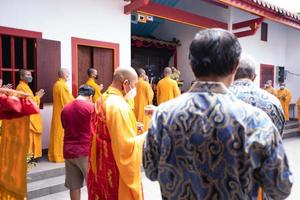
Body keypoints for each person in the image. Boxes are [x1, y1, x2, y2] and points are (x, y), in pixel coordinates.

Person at [143, 29, 292, 200]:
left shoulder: (163, 116)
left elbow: (151, 171)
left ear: (191, 65)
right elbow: (281, 188)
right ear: (235, 66)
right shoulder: (256, 120)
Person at [88, 67, 145, 200]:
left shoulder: (102, 98)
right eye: (135, 85)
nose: (135, 89)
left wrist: (131, 125)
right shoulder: (119, 106)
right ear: (125, 83)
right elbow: (127, 147)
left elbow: (106, 129)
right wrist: (146, 136)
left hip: (101, 164)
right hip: (114, 167)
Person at [230, 54, 285, 135]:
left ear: (232, 73)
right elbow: (278, 138)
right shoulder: (273, 101)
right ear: (254, 76)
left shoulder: (222, 98)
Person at [61, 85, 94, 200]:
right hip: (86, 150)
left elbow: (64, 126)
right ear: (90, 96)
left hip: (69, 151)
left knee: (74, 186)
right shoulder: (91, 107)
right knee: (93, 184)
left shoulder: (65, 108)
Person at [16, 69, 45, 158]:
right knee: (29, 138)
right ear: (21, 77)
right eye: (27, 75)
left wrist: (35, 96)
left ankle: (33, 155)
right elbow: (29, 102)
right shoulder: (21, 87)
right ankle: (29, 156)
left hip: (31, 116)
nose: (30, 76)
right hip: (28, 117)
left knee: (32, 137)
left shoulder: (26, 87)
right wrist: (38, 96)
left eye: (30, 75)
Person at [48, 68, 74, 162]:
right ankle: (58, 156)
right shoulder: (62, 85)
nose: (69, 75)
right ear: (62, 74)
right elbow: (68, 100)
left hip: (57, 113)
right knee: (60, 134)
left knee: (56, 133)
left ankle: (53, 155)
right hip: (61, 114)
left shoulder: (57, 84)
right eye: (67, 73)